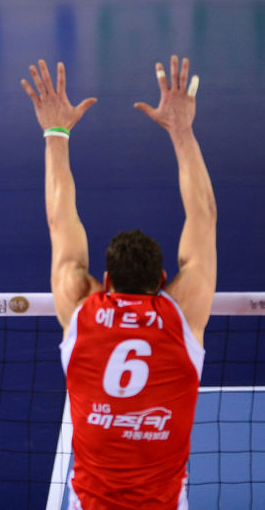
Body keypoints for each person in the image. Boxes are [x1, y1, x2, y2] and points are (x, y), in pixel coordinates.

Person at [21, 56, 216, 509]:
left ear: (105, 281)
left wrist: (56, 132)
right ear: (163, 280)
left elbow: (58, 219)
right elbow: (204, 215)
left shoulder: (81, 307)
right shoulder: (182, 314)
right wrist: (181, 130)